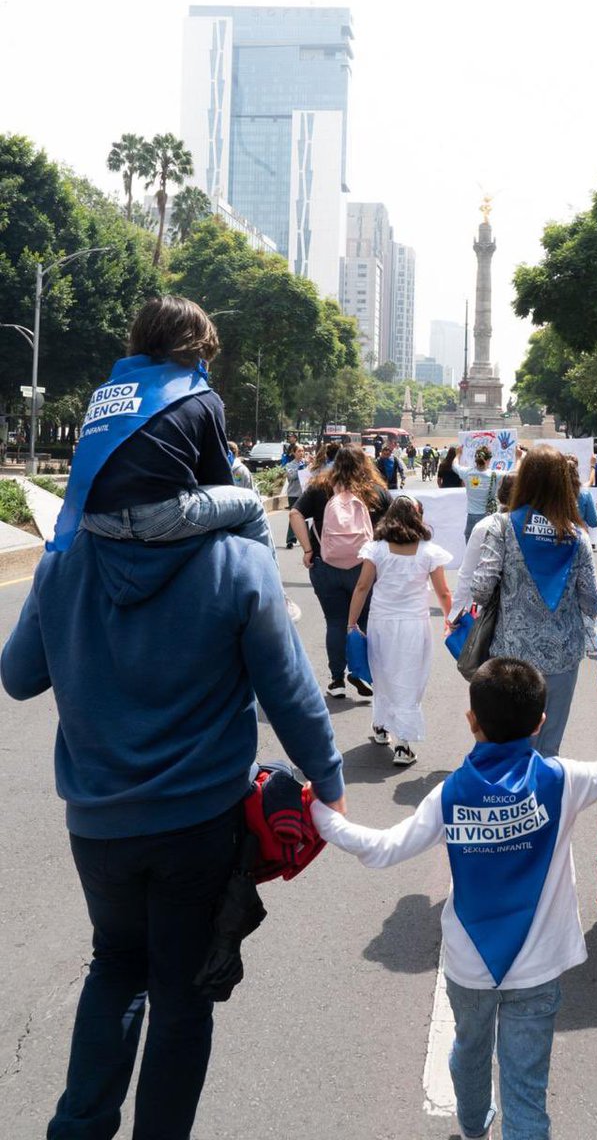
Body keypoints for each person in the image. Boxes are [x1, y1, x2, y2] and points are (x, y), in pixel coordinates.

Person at [1, 470, 345, 1140]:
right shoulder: (236, 559)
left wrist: (55, 566)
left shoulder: (67, 558)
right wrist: (328, 783)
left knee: (115, 966)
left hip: (99, 825)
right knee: (183, 1000)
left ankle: (77, 1129)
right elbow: (292, 696)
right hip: (198, 824)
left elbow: (19, 675)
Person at [310, 657, 597, 1140]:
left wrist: (319, 812)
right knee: (526, 1091)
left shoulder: (449, 795)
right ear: (541, 723)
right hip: (539, 966)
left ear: (472, 720)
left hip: (470, 964)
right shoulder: (563, 780)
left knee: (469, 1050)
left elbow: (382, 849)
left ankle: (472, 1127)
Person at [69, 297, 272, 557]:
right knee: (251, 504)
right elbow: (218, 480)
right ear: (195, 345)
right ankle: (272, 593)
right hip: (161, 516)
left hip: (93, 517)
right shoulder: (198, 394)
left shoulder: (106, 392)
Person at [472, 447, 597, 756]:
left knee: (508, 744)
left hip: (511, 657)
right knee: (549, 746)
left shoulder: (501, 528)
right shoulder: (576, 536)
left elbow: (480, 589)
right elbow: (591, 600)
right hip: (562, 655)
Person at [347, 496, 452, 766]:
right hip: (414, 624)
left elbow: (362, 587)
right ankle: (403, 744)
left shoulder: (377, 549)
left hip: (381, 621)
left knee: (382, 673)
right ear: (418, 517)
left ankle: (381, 726)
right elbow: (443, 592)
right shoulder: (429, 551)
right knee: (410, 679)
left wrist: (351, 623)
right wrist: (451, 619)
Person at [289, 446, 390, 697]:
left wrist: (307, 550)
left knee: (335, 622)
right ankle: (360, 674)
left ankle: (337, 680)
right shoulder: (376, 491)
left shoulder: (320, 488)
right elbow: (391, 526)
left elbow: (294, 514)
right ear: (365, 465)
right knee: (362, 621)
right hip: (364, 568)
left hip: (325, 564)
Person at [450, 474, 515, 624]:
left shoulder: (485, 525)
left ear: (500, 494)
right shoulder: (535, 528)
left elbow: (467, 572)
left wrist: (455, 613)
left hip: (486, 611)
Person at [454, 444, 513, 540]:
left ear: (475, 459)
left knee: (471, 549)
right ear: (489, 460)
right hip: (489, 517)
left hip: (472, 518)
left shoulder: (467, 472)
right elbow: (514, 473)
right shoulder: (495, 474)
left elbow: (454, 465)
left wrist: (458, 454)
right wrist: (519, 457)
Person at [284, 444, 307, 549]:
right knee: (294, 516)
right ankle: (290, 539)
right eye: (299, 451)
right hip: (294, 494)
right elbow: (291, 477)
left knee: (306, 517)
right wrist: (299, 469)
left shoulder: (307, 464)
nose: (301, 453)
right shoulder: (289, 465)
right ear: (294, 453)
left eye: (302, 451)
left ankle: (308, 539)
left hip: (305, 493)